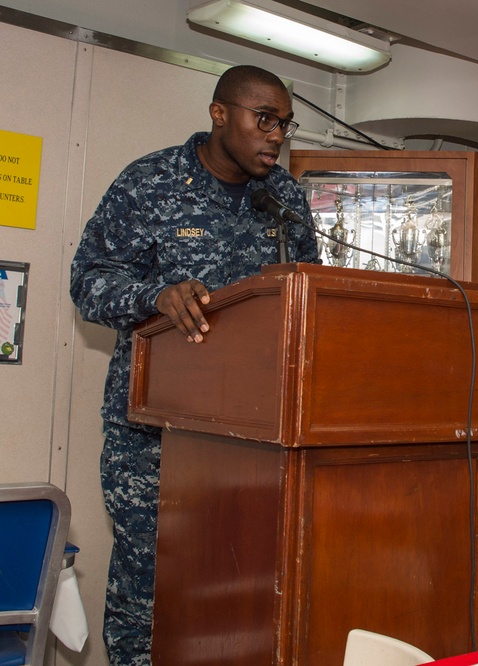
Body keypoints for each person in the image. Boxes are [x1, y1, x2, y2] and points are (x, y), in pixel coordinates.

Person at [69, 65, 320, 664]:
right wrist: (152, 296)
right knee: (149, 578)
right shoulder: (150, 182)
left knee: (237, 581)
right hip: (155, 436)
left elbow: (308, 291)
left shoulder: (283, 199)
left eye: (283, 124)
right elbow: (87, 282)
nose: (276, 136)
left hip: (253, 436)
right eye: (264, 120)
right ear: (218, 113)